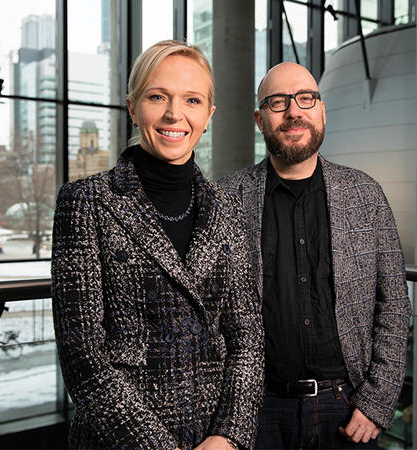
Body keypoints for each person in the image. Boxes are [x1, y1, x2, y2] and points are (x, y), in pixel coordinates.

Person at [51, 40, 264, 449]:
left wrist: (228, 436)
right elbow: (83, 358)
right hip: (120, 440)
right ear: (133, 107)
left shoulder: (229, 209)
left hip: (213, 439)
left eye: (192, 100)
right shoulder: (86, 202)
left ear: (208, 115)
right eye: (157, 96)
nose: (174, 114)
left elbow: (247, 339)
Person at [219, 62, 411, 448]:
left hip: (347, 408)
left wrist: (376, 401)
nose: (293, 111)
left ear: (321, 110)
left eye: (305, 99)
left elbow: (393, 305)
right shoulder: (225, 199)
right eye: (278, 102)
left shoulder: (365, 194)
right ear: (260, 120)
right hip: (253, 412)